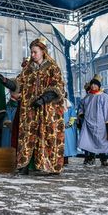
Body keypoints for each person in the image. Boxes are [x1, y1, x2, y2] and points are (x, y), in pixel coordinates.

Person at [10, 37, 66, 174]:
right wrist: (5, 81)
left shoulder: (53, 68)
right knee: (27, 135)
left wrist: (44, 98)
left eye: (35, 52)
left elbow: (58, 87)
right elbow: (18, 84)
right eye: (31, 52)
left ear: (43, 52)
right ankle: (24, 165)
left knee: (48, 135)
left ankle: (50, 167)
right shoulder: (28, 70)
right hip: (30, 109)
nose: (32, 55)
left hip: (48, 110)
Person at [77, 74, 108, 166]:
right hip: (89, 122)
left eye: (95, 84)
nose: (93, 86)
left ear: (99, 86)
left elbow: (107, 109)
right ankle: (91, 158)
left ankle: (103, 159)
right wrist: (81, 114)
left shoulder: (104, 96)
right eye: (92, 84)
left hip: (100, 123)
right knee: (90, 141)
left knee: (101, 141)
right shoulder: (87, 97)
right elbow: (81, 106)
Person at [63, 98, 77, 165]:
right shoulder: (55, 102)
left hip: (67, 127)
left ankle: (65, 160)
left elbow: (73, 115)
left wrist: (70, 123)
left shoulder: (70, 104)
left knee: (67, 144)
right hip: (58, 126)